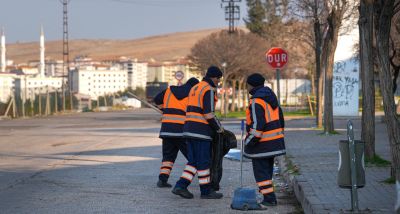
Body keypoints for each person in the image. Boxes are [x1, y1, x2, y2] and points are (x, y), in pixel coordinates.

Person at [172, 66, 224, 199]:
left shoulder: (195, 87)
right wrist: (219, 128)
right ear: (214, 77)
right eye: (219, 79)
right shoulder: (208, 89)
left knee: (193, 161)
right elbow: (208, 114)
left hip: (189, 129)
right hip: (201, 131)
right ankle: (205, 192)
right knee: (203, 162)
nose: (219, 82)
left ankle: (181, 186)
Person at [244, 73, 286, 209]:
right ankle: (268, 195)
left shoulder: (257, 101)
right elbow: (281, 118)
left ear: (251, 85)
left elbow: (258, 125)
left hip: (262, 143)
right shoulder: (270, 97)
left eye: (247, 85)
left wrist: (249, 142)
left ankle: (269, 199)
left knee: (261, 173)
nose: (247, 87)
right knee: (267, 172)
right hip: (274, 142)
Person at [153, 77, 200, 188]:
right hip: (182, 131)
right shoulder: (193, 94)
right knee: (193, 157)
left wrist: (163, 108)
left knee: (168, 157)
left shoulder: (169, 90)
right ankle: (205, 180)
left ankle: (162, 180)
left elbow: (157, 99)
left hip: (167, 129)